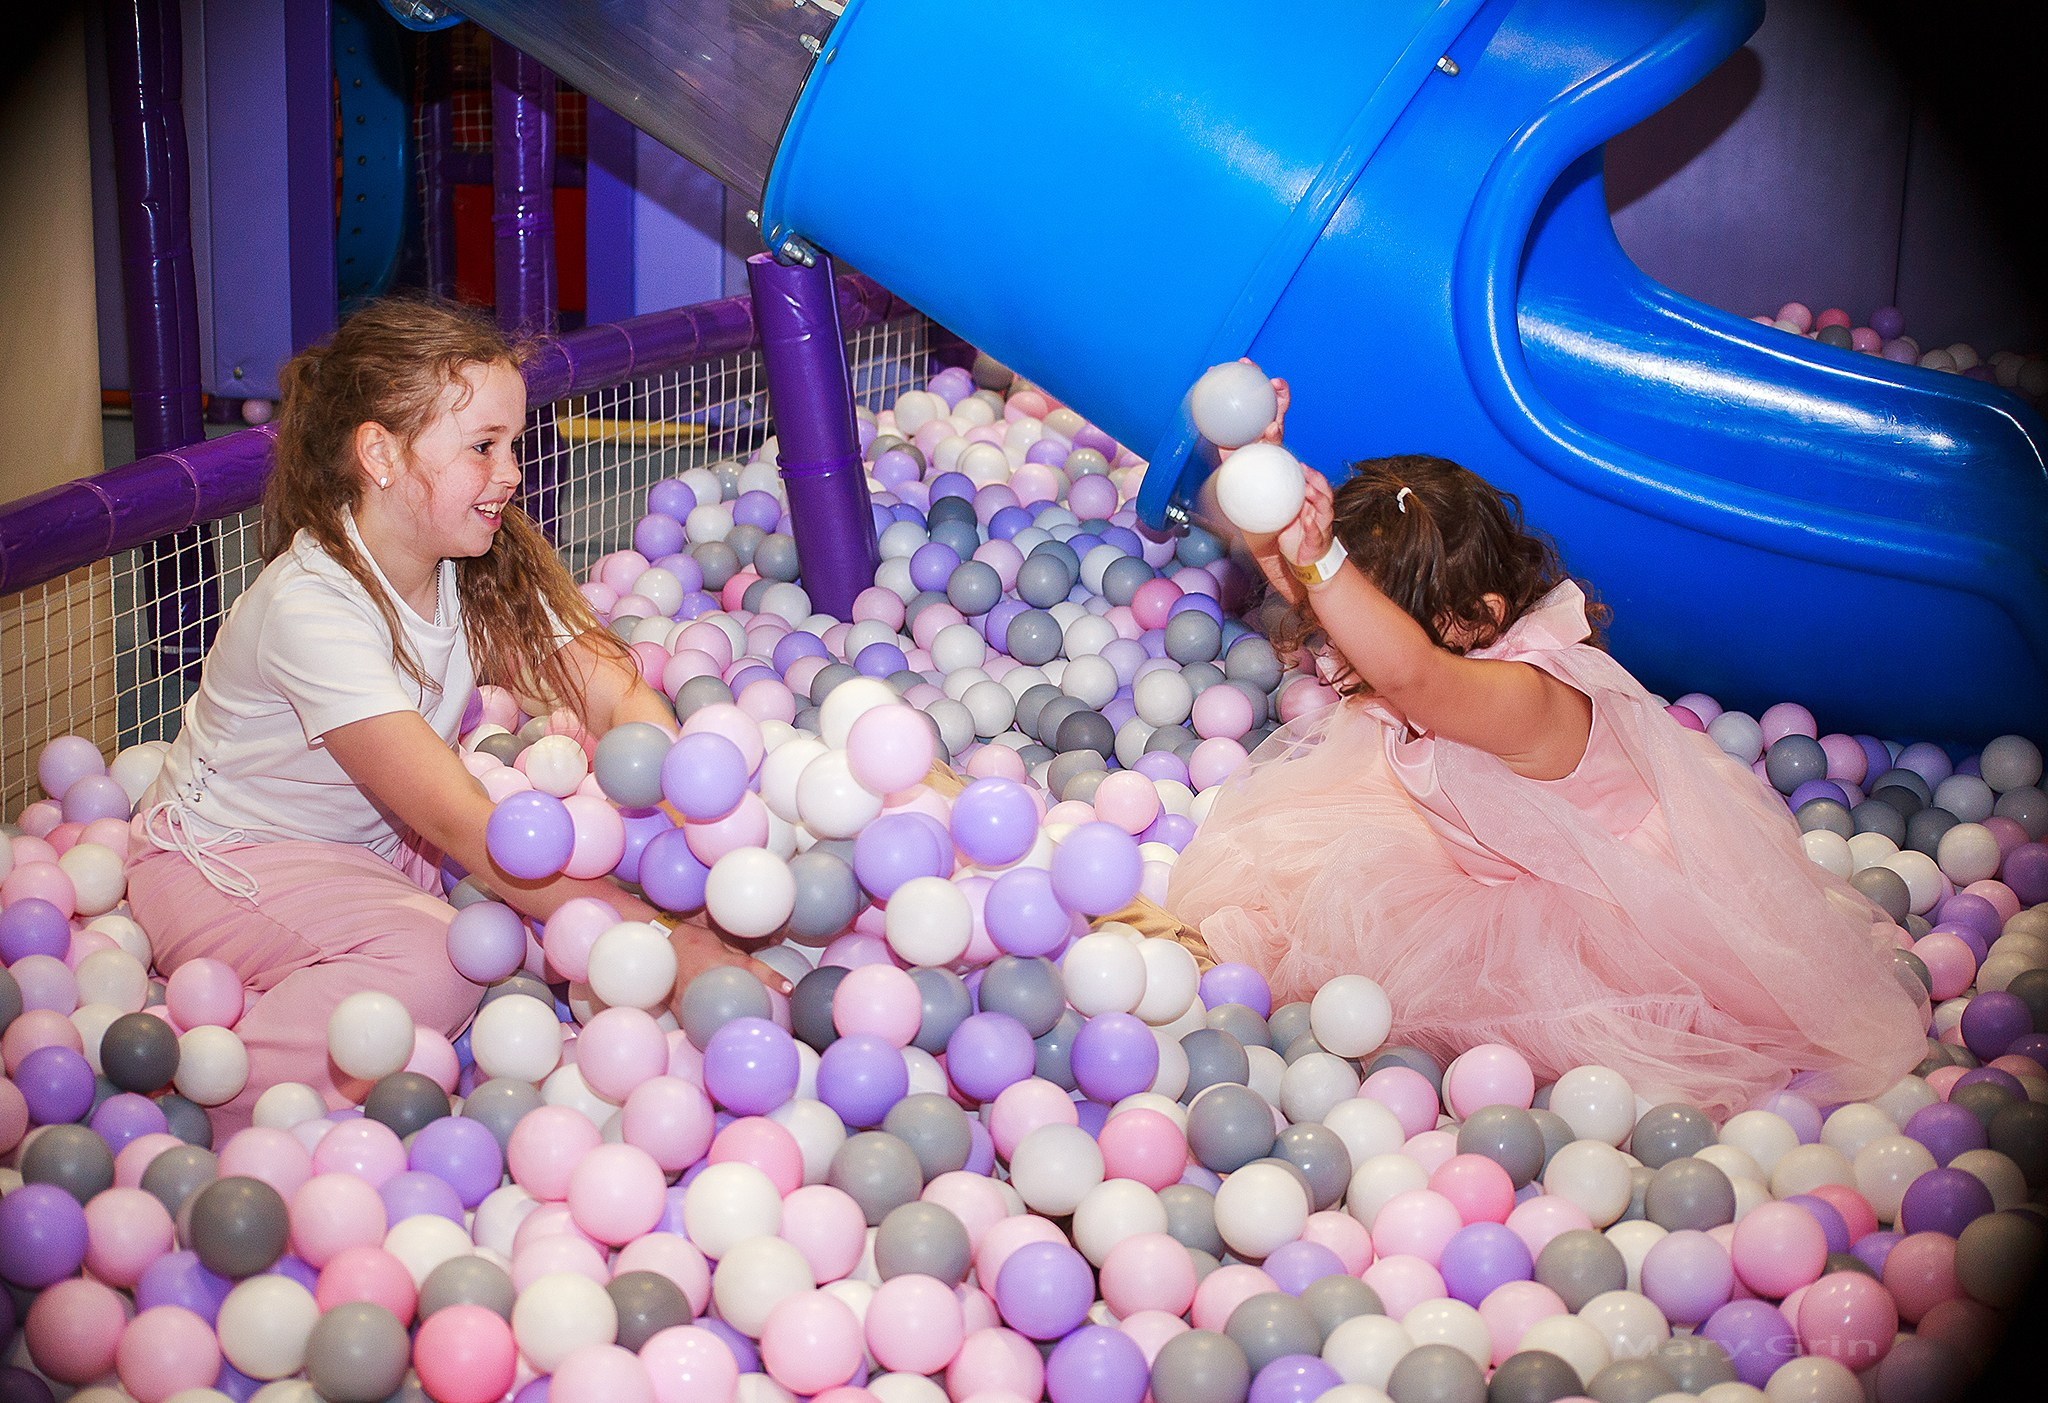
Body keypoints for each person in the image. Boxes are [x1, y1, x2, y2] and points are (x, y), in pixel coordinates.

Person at [1169, 384, 1927, 1117]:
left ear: (1474, 620)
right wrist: (1263, 488)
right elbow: (1330, 605)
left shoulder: (1520, 698)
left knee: (1494, 1016)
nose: (1339, 639)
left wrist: (1325, 561)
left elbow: (1408, 670)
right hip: (1493, 857)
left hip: (1618, 904)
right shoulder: (1418, 646)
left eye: (1369, 614)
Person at [127, 297, 787, 1137]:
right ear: (380, 454)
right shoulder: (313, 609)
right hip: (225, 862)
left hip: (377, 848)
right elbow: (468, 826)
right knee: (446, 961)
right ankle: (202, 1099)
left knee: (542, 900)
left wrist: (689, 819)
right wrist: (665, 942)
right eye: (482, 446)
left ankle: (300, 995)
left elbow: (607, 684)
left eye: (514, 444)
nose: (510, 472)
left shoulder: (465, 558)